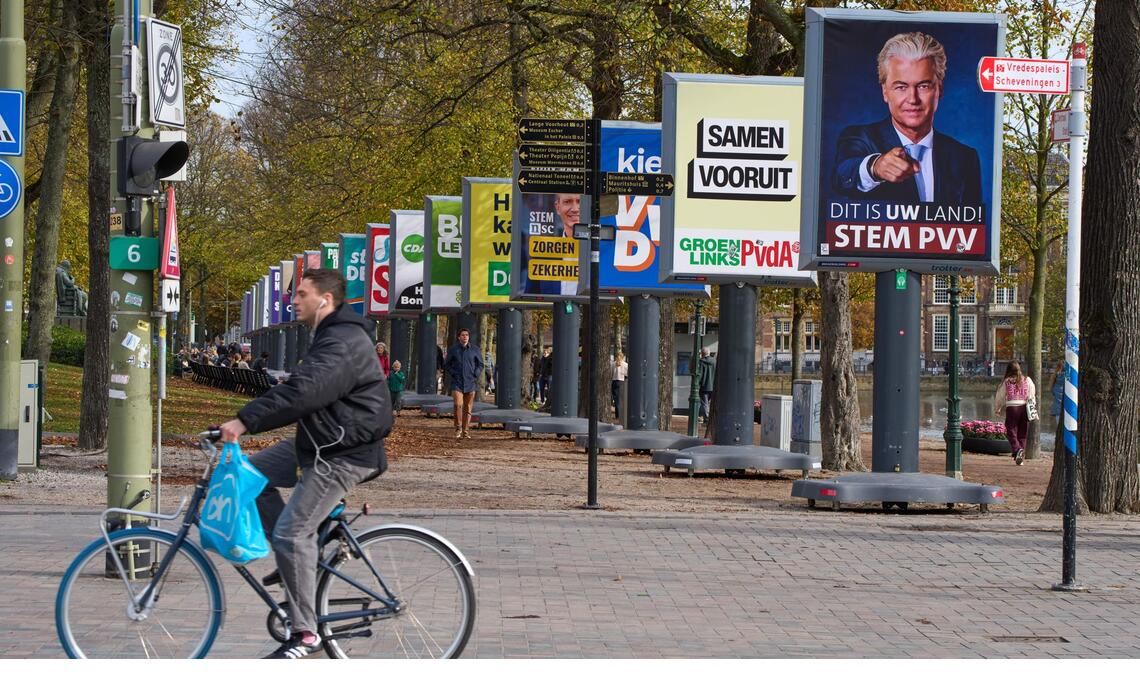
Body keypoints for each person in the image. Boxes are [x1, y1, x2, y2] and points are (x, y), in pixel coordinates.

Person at [219, 268, 392, 659]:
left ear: (324, 300)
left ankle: (305, 634)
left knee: (289, 534)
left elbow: (304, 392)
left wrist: (244, 420)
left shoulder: (342, 341)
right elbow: (304, 390)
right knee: (251, 475)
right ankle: (299, 559)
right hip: (320, 442)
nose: (293, 300)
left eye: (300, 294)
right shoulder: (329, 335)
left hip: (344, 452)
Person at [832, 31, 982, 204]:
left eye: (923, 86)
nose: (913, 99)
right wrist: (875, 167)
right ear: (885, 92)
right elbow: (843, 174)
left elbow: (973, 227)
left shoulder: (964, 157)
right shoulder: (859, 138)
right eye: (901, 87)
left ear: (939, 89)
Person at [444, 328, 483, 439]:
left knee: (468, 408)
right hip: (457, 382)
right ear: (459, 337)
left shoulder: (475, 349)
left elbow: (480, 364)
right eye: (463, 335)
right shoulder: (453, 350)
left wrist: (476, 374)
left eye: (467, 335)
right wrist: (454, 373)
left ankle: (466, 431)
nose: (465, 337)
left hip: (470, 382)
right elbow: (447, 364)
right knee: (458, 405)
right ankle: (458, 428)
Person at [994, 360, 1035, 465]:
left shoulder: (1007, 382)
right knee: (1022, 432)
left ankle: (1017, 450)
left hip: (1012, 408)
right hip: (1024, 407)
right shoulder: (1027, 380)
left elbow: (1000, 396)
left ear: (1008, 370)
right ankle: (1020, 454)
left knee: (1011, 430)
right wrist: (1032, 407)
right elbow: (1031, 394)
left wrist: (997, 408)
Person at [697, 347, 716, 423]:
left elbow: (700, 374)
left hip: (704, 386)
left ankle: (707, 418)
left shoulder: (701, 362)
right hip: (713, 386)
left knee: (705, 403)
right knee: (708, 403)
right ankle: (703, 416)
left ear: (702, 353)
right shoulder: (714, 361)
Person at [610, 352, 628, 421]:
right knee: (623, 399)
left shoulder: (613, 364)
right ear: (623, 357)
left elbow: (611, 373)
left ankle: (617, 415)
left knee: (616, 400)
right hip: (622, 382)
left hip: (615, 382)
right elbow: (627, 374)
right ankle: (623, 415)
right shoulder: (625, 364)